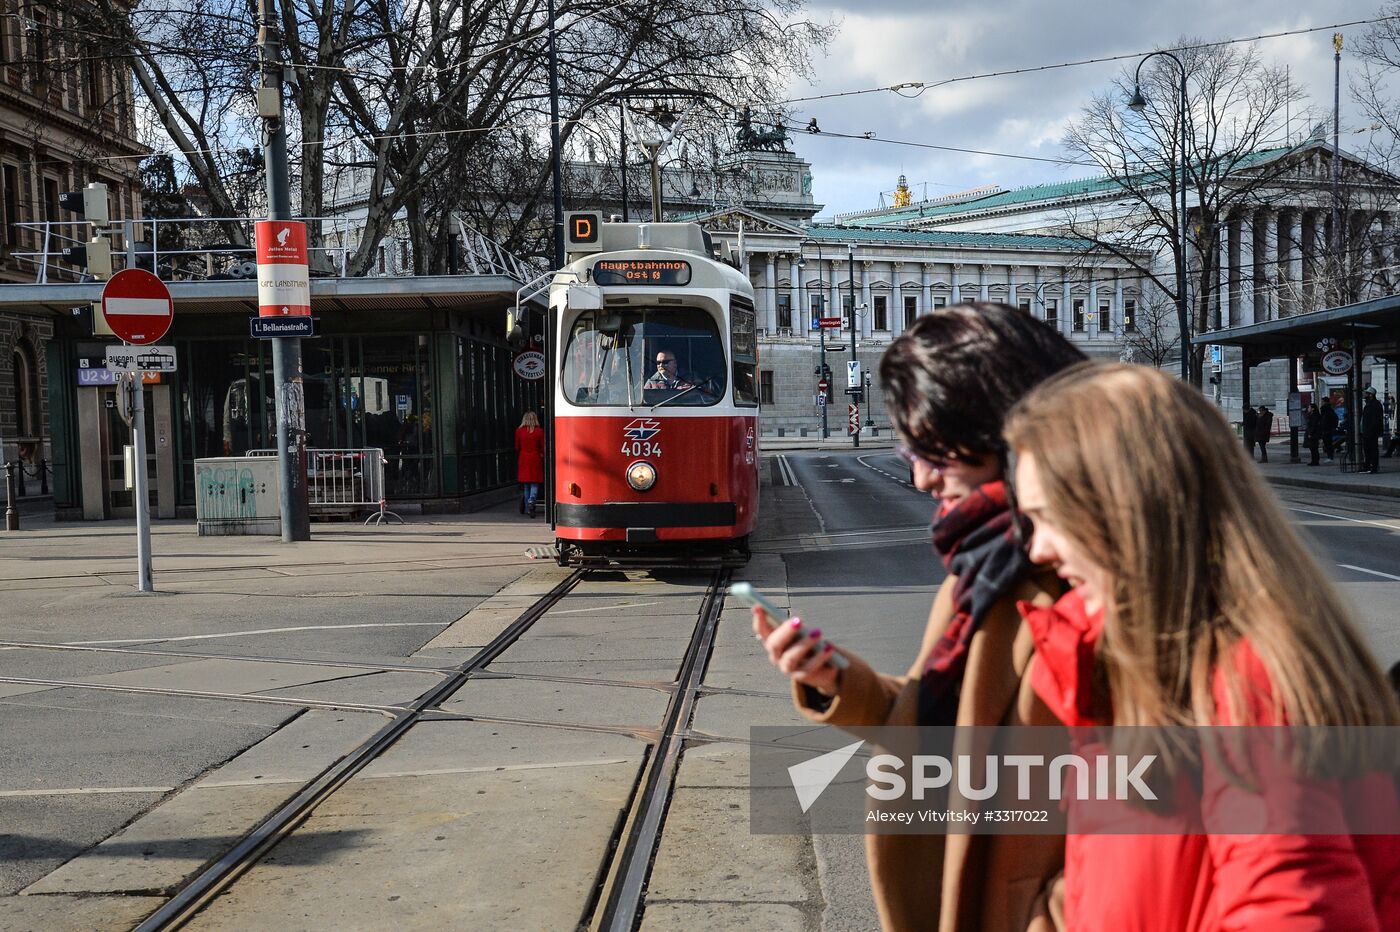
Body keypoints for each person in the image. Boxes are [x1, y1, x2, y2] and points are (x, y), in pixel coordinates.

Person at [1005, 363, 1400, 932]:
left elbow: (1291, 910)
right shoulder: (1148, 660)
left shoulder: (1248, 685)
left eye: (1047, 518)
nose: (1037, 549)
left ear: (1128, 513)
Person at [753, 303, 1085, 932]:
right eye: (913, 448)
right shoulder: (979, 572)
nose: (923, 478)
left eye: (940, 450)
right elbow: (944, 731)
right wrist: (838, 682)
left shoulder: (1084, 583)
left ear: (1017, 440)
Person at [514, 411, 545, 517]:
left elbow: (517, 447)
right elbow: (543, 447)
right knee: (535, 483)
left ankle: (528, 506)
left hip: (523, 458)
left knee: (526, 485)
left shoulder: (519, 431)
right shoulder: (539, 432)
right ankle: (532, 501)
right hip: (535, 458)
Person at [1361, 386, 1384, 474]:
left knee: (1373, 449)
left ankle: (1373, 467)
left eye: (1366, 393)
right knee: (1367, 449)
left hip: (1371, 432)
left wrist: (1370, 430)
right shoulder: (1369, 404)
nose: (1364, 394)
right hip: (1367, 431)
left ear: (1370, 395)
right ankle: (1367, 466)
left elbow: (1375, 420)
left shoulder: (1375, 404)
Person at [1321, 398, 1339, 464]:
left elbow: (1333, 419)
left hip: (1327, 429)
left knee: (1328, 444)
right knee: (1327, 444)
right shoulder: (1328, 410)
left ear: (1325, 402)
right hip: (1327, 429)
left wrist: (1332, 427)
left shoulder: (1327, 410)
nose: (1322, 402)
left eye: (1322, 401)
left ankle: (1330, 457)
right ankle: (1330, 457)